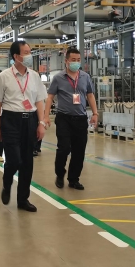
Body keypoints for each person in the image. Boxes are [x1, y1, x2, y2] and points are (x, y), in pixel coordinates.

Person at [0, 41, 47, 213]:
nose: (30, 55)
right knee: (14, 160)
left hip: (30, 120)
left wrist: (41, 123)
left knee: (27, 162)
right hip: (10, 120)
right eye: (26, 52)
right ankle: (7, 181)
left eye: (30, 51)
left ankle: (23, 199)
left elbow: (39, 101)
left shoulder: (35, 76)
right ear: (16, 56)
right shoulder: (4, 76)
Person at [44, 48, 98, 190]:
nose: (76, 62)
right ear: (66, 61)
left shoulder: (85, 77)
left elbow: (90, 95)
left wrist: (95, 113)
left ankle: (74, 179)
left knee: (79, 151)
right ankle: (60, 173)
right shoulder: (58, 78)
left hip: (80, 118)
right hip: (64, 118)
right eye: (73, 60)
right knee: (64, 148)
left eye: (78, 60)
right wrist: (46, 116)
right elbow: (50, 97)